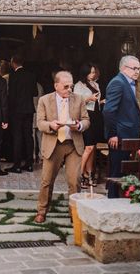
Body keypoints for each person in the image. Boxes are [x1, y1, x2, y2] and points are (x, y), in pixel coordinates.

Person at [35, 71, 90, 223]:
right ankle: (42, 210)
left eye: (71, 86)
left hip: (73, 144)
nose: (69, 89)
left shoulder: (79, 99)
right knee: (47, 180)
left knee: (75, 181)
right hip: (54, 144)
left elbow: (86, 120)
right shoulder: (45, 100)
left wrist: (79, 126)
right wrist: (51, 125)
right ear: (56, 86)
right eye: (66, 87)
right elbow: (40, 123)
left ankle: (74, 213)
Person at [102, 55, 140, 198]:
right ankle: (113, 201)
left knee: (124, 170)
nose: (137, 71)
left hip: (127, 135)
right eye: (134, 68)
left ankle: (120, 200)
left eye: (139, 68)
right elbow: (108, 110)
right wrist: (113, 134)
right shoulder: (118, 83)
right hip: (119, 136)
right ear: (124, 68)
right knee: (116, 172)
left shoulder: (128, 83)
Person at [74, 63, 104, 188]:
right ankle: (79, 174)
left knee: (93, 147)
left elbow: (96, 101)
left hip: (96, 116)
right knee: (88, 147)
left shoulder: (95, 84)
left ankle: (89, 174)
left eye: (94, 72)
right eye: (91, 72)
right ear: (85, 72)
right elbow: (76, 101)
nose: (93, 74)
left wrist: (101, 101)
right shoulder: (78, 86)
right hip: (86, 116)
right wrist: (88, 98)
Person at [7, 55, 38, 173]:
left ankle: (17, 165)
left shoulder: (13, 76)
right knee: (28, 137)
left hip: (16, 110)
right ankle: (29, 164)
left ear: (13, 63)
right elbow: (35, 92)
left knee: (17, 137)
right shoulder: (31, 75)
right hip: (29, 109)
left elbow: (12, 95)